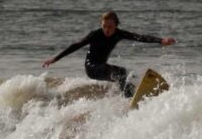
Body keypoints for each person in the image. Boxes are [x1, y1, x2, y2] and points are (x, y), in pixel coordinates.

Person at [42, 11, 176, 97]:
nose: (106, 29)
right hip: (92, 68)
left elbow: (139, 37)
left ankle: (131, 96)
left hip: (102, 66)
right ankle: (128, 99)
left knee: (127, 77)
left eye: (110, 26)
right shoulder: (95, 34)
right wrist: (55, 58)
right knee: (121, 73)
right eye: (104, 26)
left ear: (116, 26)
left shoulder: (119, 34)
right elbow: (75, 46)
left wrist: (161, 40)